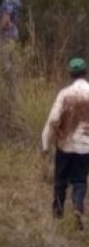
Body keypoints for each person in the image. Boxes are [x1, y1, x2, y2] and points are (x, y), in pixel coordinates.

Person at [41, 58, 89, 228]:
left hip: (65, 146)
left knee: (60, 181)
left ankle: (58, 214)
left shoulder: (64, 94)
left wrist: (45, 144)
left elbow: (54, 120)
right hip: (85, 148)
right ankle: (77, 207)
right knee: (80, 181)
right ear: (85, 73)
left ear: (71, 74)